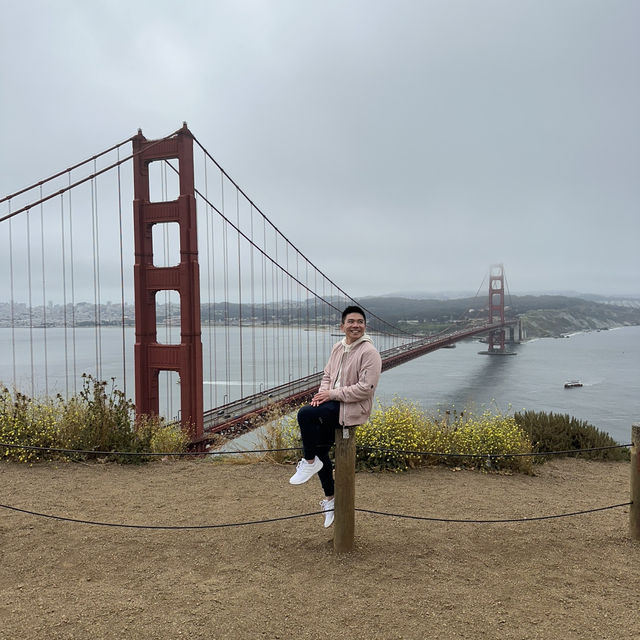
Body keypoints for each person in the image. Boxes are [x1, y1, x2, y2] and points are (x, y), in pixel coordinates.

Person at [289, 305, 382, 528]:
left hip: (349, 408)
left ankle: (308, 461)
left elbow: (366, 388)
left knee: (304, 414)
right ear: (342, 327)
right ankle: (330, 500)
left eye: (360, 321)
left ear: (365, 326)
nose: (355, 325)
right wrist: (321, 396)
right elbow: (327, 376)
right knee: (321, 450)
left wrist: (331, 394)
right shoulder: (337, 348)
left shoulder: (369, 352)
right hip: (333, 404)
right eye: (351, 322)